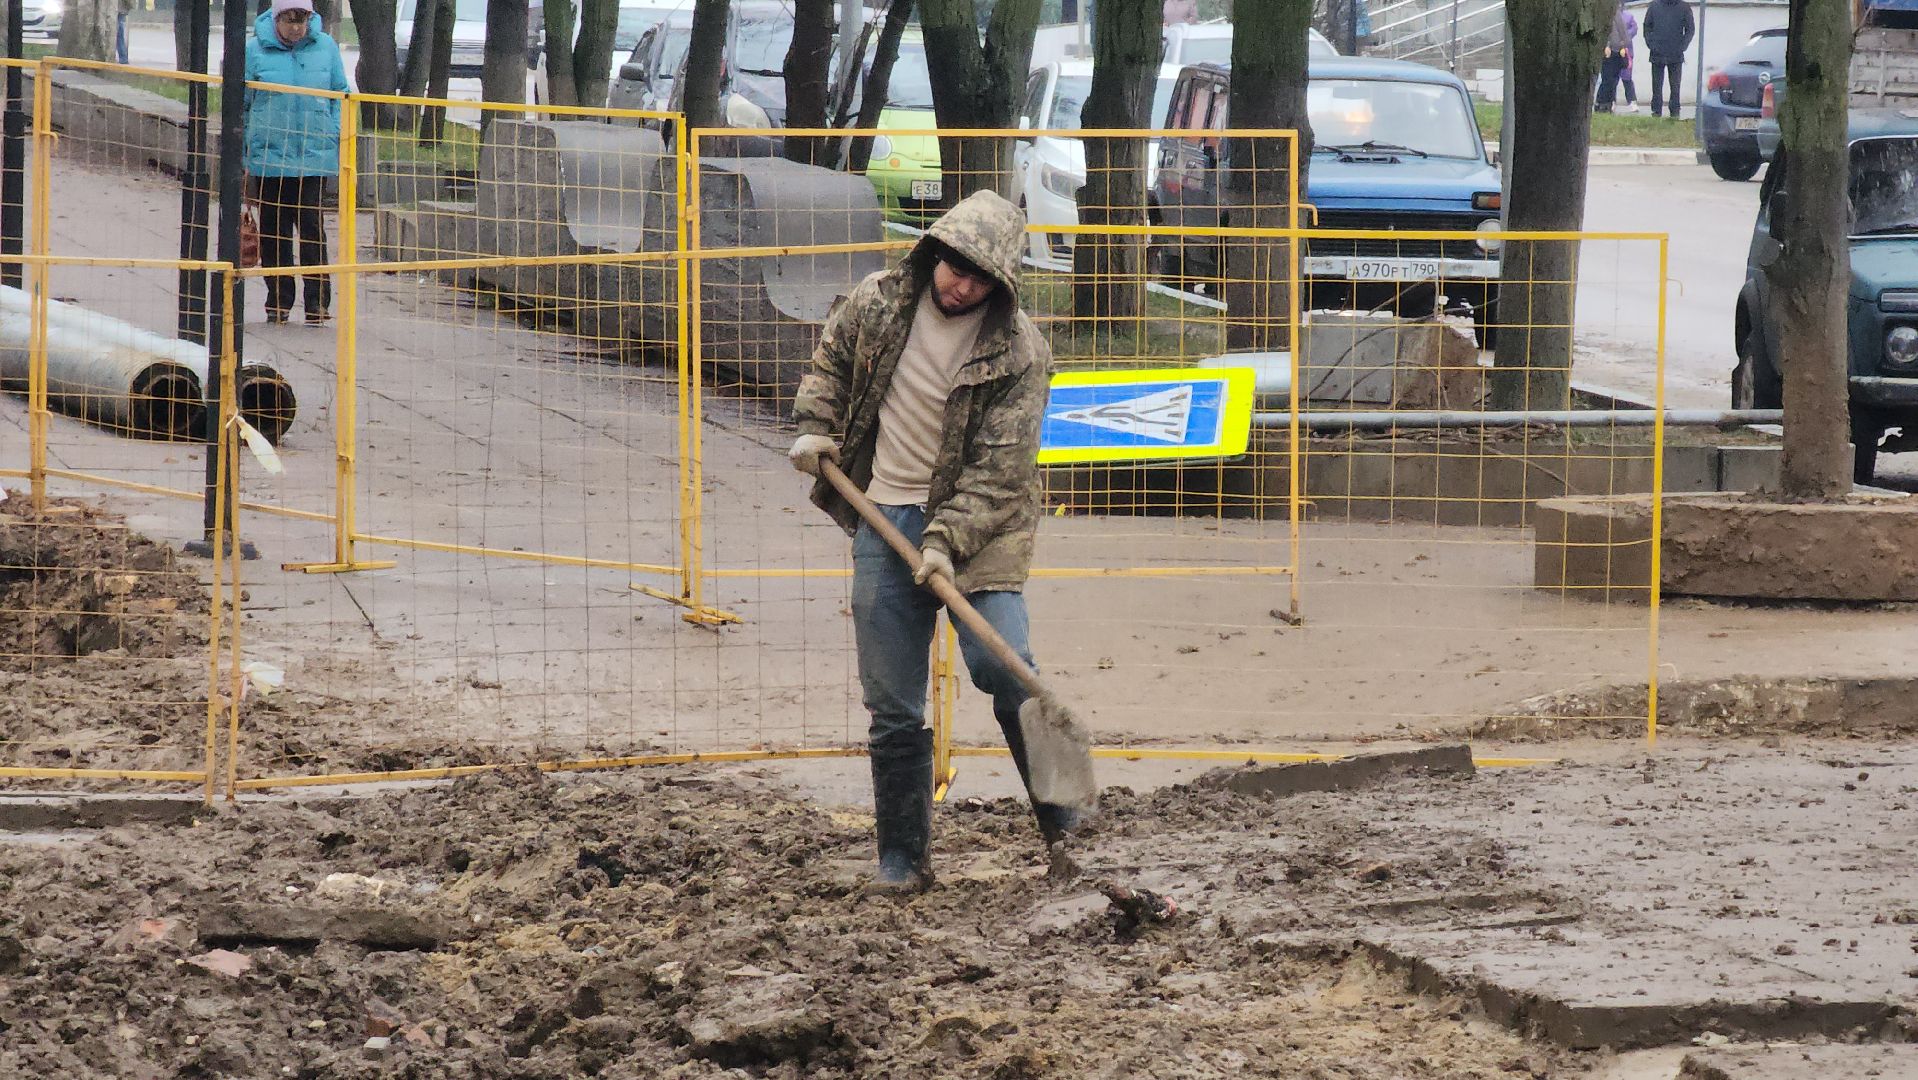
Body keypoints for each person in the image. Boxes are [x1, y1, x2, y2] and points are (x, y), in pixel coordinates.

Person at [788, 190, 1066, 894]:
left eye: (976, 277)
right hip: (884, 513)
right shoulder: (879, 302)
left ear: (999, 285)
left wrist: (946, 541)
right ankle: (902, 859)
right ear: (933, 253)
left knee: (1006, 666)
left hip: (984, 528)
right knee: (892, 700)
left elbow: (1002, 473)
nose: (958, 283)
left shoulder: (1020, 353)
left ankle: (1071, 832)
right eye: (951, 265)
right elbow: (832, 365)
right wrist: (816, 424)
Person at [243, 0, 350, 324]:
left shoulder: (325, 47)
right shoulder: (255, 50)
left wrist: (332, 134)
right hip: (270, 156)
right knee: (274, 231)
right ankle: (279, 300)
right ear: (276, 18)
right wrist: (247, 149)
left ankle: (317, 302)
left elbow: (340, 93)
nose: (296, 28)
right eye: (290, 20)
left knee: (312, 228)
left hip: (313, 155)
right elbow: (243, 103)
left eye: (303, 20)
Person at [1642, 0, 1696, 119]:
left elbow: (1690, 29)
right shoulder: (1654, 6)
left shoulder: (1684, 7)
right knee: (1656, 85)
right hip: (1657, 53)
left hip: (1676, 54)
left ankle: (1675, 111)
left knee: (1675, 85)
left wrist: (1682, 46)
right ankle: (1656, 111)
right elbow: (1647, 26)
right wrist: (1651, 44)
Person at [1595, 3, 1633, 113]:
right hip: (1607, 52)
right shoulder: (1601, 14)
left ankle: (1608, 103)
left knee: (1613, 80)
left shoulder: (1616, 14)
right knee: (1607, 79)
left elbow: (1624, 34)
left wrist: (1623, 45)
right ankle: (1601, 103)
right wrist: (1606, 45)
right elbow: (1602, 31)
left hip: (1617, 52)